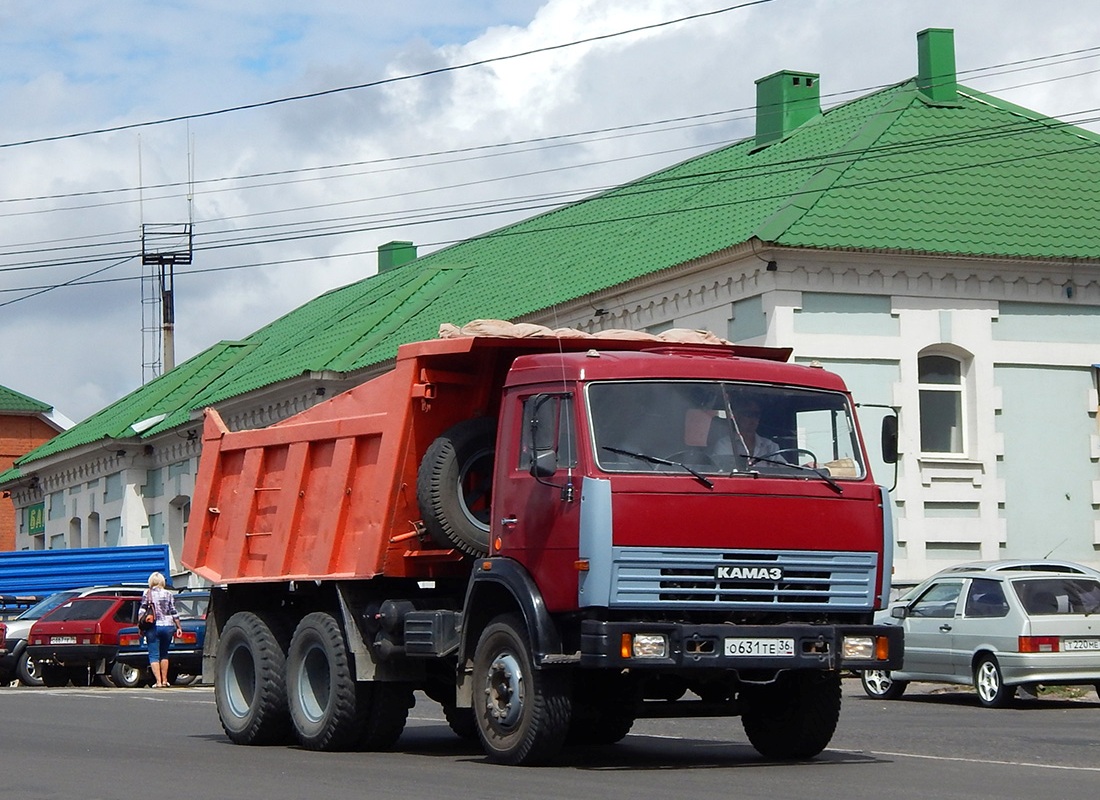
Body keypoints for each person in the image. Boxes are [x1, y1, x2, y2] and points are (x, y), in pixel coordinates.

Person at [140, 571, 182, 688]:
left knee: (154, 655)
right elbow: (173, 611)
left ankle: (158, 681)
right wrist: (178, 626)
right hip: (168, 626)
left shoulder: (147, 593)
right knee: (164, 654)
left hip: (153, 626)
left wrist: (140, 626)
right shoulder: (168, 594)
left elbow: (142, 611)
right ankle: (165, 680)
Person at [729, 398, 782, 463]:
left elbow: (785, 470)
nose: (753, 419)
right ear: (737, 417)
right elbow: (724, 468)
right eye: (748, 414)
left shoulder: (770, 446)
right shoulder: (726, 443)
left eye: (756, 415)